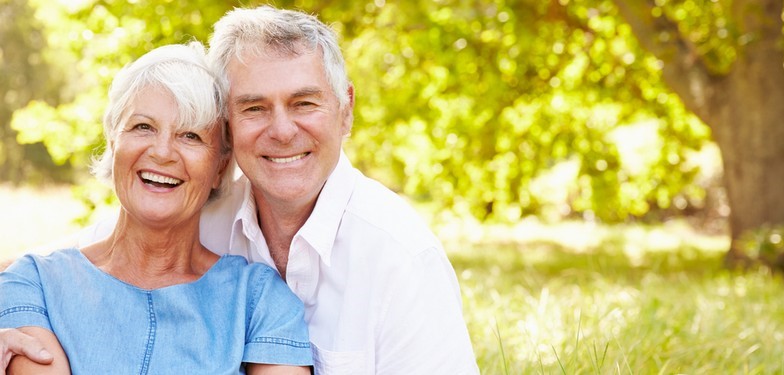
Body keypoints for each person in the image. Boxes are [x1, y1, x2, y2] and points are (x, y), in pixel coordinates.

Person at [2, 5, 479, 374]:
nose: (282, 130)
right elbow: (66, 266)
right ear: (229, 133)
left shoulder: (400, 258)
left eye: (304, 103)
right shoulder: (194, 208)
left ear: (345, 108)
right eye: (254, 108)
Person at [0, 42, 313, 374]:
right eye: (143, 127)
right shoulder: (32, 284)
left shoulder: (260, 301)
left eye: (190, 136)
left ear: (220, 167)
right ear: (113, 143)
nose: (162, 152)